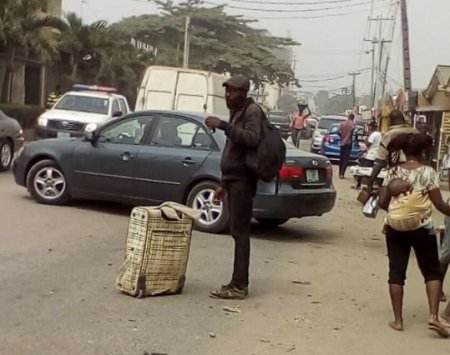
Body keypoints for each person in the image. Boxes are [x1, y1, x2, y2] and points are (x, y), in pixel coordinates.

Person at [378, 132, 450, 338]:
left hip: (395, 228)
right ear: (422, 151)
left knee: (396, 272)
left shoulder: (393, 172)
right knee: (432, 271)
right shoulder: (428, 172)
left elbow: (382, 202)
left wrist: (398, 212)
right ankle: (434, 316)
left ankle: (398, 321)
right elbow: (440, 205)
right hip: (421, 228)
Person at [205, 75, 263, 300]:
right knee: (237, 232)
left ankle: (239, 285)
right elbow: (233, 153)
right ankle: (237, 282)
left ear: (244, 92)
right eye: (226, 91)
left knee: (240, 233)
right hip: (234, 180)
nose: (228, 95)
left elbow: (252, 139)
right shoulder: (237, 111)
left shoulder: (252, 111)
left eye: (233, 91)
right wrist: (223, 184)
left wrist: (224, 126)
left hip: (244, 181)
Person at [367, 110, 417, 192]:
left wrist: (371, 181)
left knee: (383, 200)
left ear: (390, 120)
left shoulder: (389, 134)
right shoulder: (416, 132)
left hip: (396, 172)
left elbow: (380, 160)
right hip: (416, 173)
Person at [355, 121, 381, 189]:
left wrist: (366, 138)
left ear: (370, 127)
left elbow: (368, 144)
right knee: (374, 172)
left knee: (362, 170)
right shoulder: (379, 134)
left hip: (370, 156)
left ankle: (359, 185)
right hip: (377, 155)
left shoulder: (373, 135)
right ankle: (371, 185)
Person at [338, 113, 356, 179]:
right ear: (353, 118)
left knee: (341, 158)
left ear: (348, 117)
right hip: (348, 143)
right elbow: (352, 131)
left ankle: (339, 173)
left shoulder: (342, 123)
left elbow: (338, 131)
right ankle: (342, 174)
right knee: (346, 159)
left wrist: (342, 137)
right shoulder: (353, 124)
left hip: (342, 143)